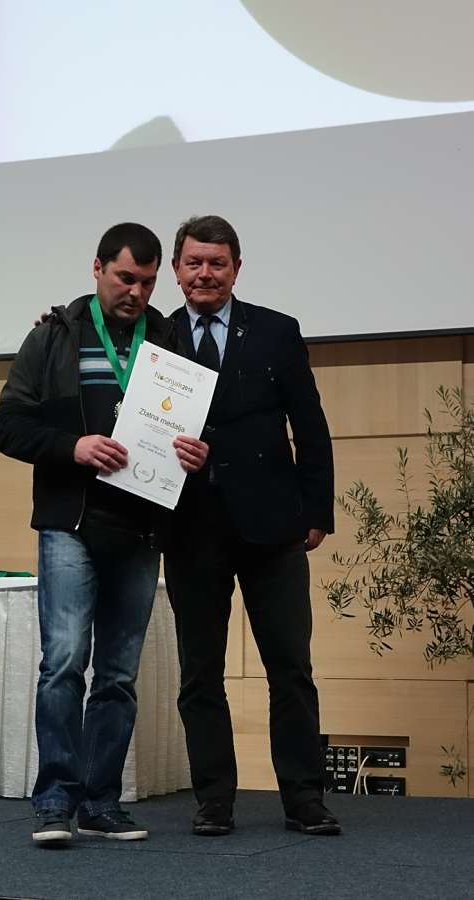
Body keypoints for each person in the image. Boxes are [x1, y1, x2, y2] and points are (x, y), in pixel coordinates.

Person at [0, 222, 207, 845]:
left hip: (141, 530)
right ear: (97, 268)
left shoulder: (169, 340)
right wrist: (73, 446)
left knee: (117, 676)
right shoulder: (53, 336)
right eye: (124, 278)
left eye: (147, 282)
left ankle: (102, 803)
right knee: (63, 664)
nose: (135, 292)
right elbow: (8, 426)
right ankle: (55, 802)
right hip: (72, 526)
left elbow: (196, 424)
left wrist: (198, 452)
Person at [164, 215, 341, 836]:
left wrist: (317, 511)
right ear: (177, 270)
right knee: (199, 674)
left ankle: (305, 799)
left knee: (290, 667)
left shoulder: (276, 330)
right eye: (193, 262)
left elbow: (310, 425)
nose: (204, 274)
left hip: (274, 526)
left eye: (217, 263)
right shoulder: (155, 337)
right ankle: (214, 800)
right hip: (190, 527)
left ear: (236, 268)